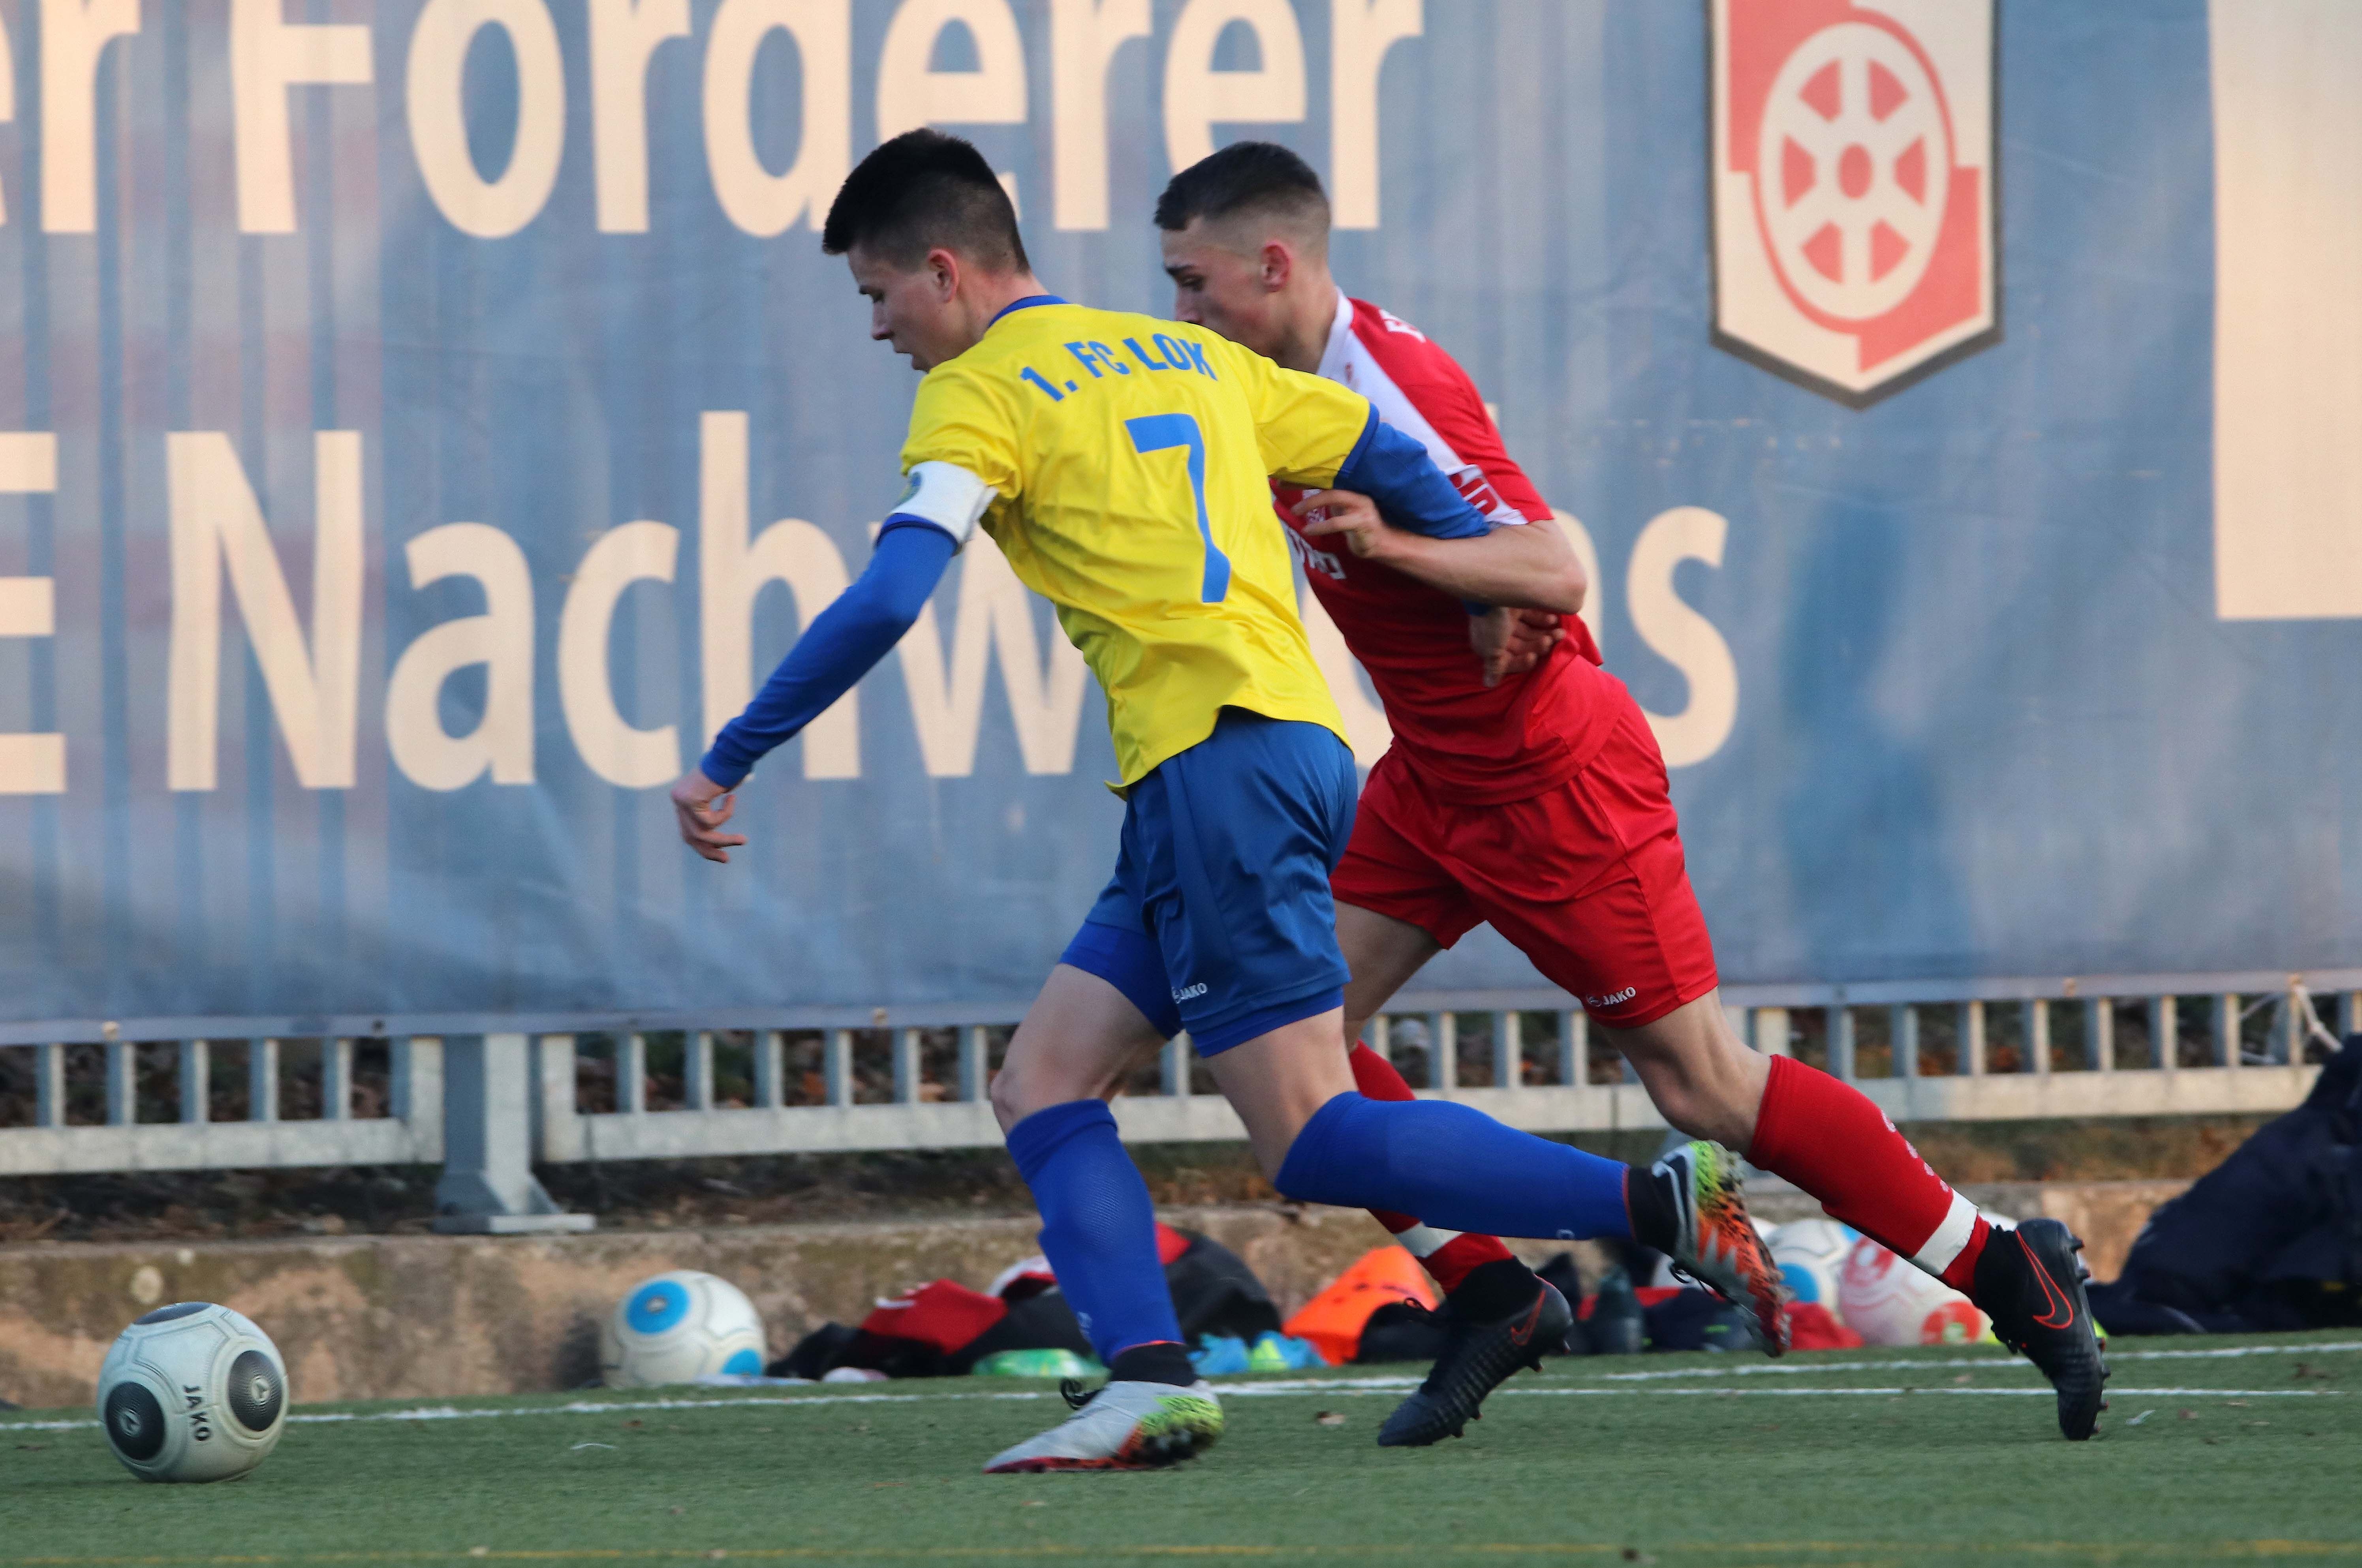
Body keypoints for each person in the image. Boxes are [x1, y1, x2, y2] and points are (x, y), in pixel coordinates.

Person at [671, 130, 1787, 1474]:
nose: (876, 327)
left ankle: (1656, 1201)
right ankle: (1147, 1379)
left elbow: (891, 596)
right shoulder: (1182, 351)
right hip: (1284, 754)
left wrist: (732, 753)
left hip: (1216, 771)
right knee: (1045, 1080)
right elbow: (1381, 446)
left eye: (877, 293)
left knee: (1310, 1133)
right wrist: (1479, 575)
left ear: (947, 272)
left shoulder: (980, 392)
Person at [1152, 141, 2110, 1444]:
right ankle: (1494, 1294)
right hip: (1433, 778)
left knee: (1704, 1090)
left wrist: (1411, 555)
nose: (1183, 312)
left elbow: (1551, 566)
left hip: (1553, 781)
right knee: (1286, 1046)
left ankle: (2009, 1269)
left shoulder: (1389, 381)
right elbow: (1490, 560)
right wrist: (1455, 580)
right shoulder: (1276, 383)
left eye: (1195, 283)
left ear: (1274, 264)